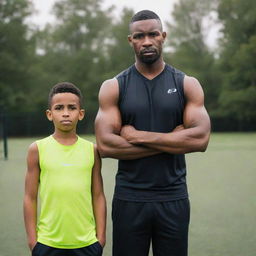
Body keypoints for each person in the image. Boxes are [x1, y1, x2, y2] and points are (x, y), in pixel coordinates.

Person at [95, 10, 211, 256]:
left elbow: (200, 139)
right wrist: (175, 139)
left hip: (173, 196)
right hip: (129, 198)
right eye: (139, 36)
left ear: (163, 36)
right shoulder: (114, 86)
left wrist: (139, 136)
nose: (146, 41)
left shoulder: (186, 83)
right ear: (131, 40)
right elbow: (106, 146)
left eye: (152, 34)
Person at [24, 82, 106, 256]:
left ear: (81, 114)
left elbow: (98, 196)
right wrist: (33, 241)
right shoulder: (37, 149)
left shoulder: (92, 150)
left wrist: (101, 239)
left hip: (87, 243)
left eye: (72, 108)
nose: (66, 113)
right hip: (47, 243)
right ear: (49, 114)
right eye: (59, 108)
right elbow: (29, 197)